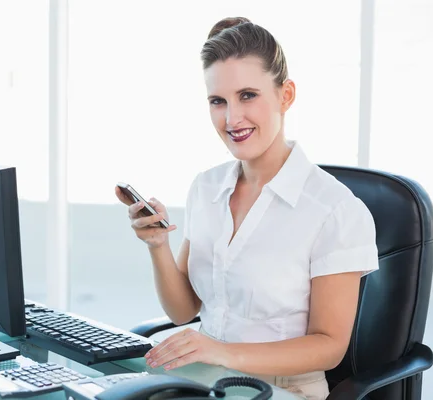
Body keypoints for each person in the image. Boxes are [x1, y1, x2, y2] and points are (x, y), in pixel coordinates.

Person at [115, 16, 378, 400]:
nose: (231, 118)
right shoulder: (206, 187)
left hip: (284, 390)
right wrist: (158, 247)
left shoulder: (335, 210)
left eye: (248, 96)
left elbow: (330, 345)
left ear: (285, 95)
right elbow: (183, 310)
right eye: (218, 101)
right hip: (204, 378)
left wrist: (222, 351)